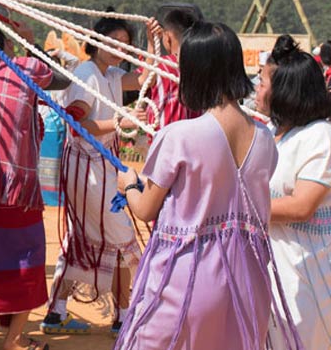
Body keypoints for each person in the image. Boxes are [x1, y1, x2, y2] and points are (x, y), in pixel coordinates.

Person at [114, 22, 299, 349]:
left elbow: (145, 209)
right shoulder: (265, 138)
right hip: (248, 283)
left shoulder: (180, 135)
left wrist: (129, 184)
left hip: (186, 282)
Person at [0, 23, 66, 349]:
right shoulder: (24, 68)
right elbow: (55, 75)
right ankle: (14, 339)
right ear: (6, 43)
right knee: (26, 262)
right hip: (17, 195)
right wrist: (30, 44)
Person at [43, 15, 142, 335]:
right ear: (96, 40)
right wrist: (119, 123)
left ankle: (56, 313)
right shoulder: (86, 74)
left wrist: (155, 44)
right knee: (122, 238)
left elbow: (145, 77)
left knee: (82, 238)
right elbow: (76, 124)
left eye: (125, 45)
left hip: (101, 166)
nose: (118, 50)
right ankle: (124, 317)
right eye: (113, 43)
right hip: (88, 170)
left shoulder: (110, 73)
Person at [257, 37, 331, 349]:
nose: (257, 90)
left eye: (262, 82)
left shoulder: (322, 138)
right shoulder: (276, 135)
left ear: (285, 91)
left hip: (309, 280)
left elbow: (301, 207)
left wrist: (236, 206)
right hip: (277, 270)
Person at [142, 3, 203, 128]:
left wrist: (151, 44)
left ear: (167, 37)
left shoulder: (159, 67)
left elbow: (141, 80)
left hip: (164, 140)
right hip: (196, 139)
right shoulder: (202, 67)